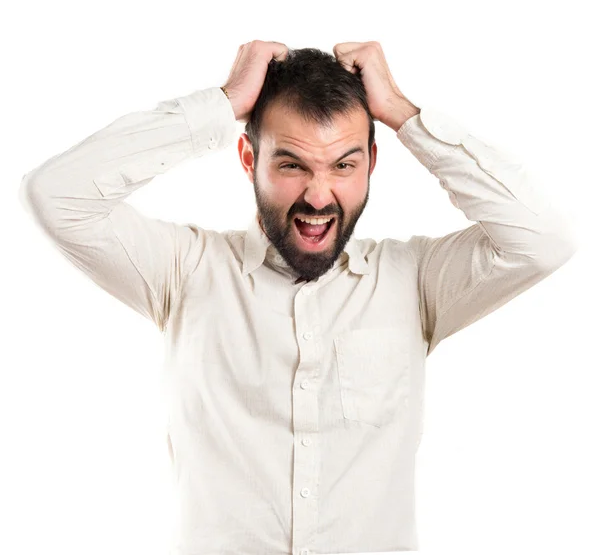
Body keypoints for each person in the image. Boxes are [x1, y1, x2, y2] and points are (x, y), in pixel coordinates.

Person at [18, 40, 577, 555]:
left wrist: (405, 116)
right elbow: (55, 195)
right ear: (248, 160)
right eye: (291, 164)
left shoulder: (416, 280)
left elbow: (544, 240)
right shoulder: (184, 271)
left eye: (344, 165)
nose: (318, 193)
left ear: (371, 166)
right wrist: (220, 104)